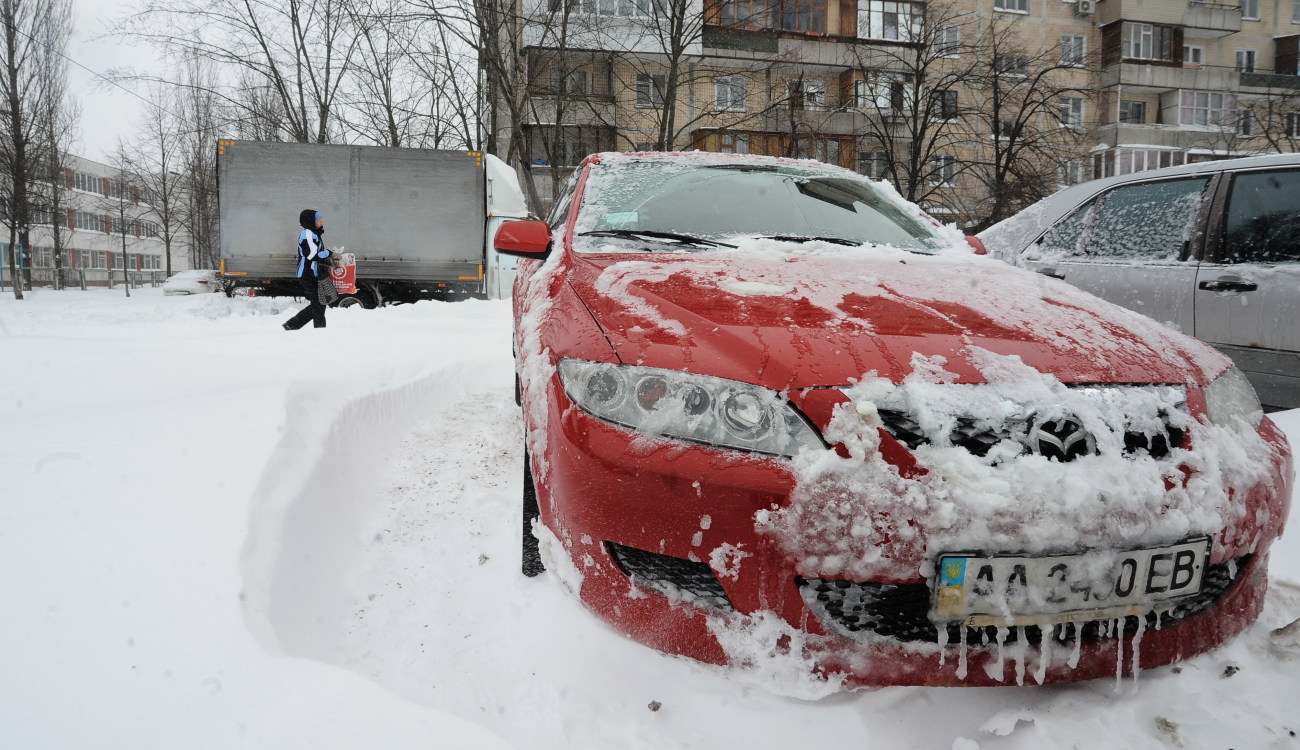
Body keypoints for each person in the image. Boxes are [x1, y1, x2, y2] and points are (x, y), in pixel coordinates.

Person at [283, 209, 333, 330]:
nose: (322, 223)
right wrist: (328, 253)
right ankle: (316, 329)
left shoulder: (314, 234)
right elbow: (312, 255)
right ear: (311, 222)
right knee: (319, 303)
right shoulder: (307, 235)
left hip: (313, 274)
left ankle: (292, 325)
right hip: (307, 274)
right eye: (319, 220)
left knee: (319, 303)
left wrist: (327, 253)